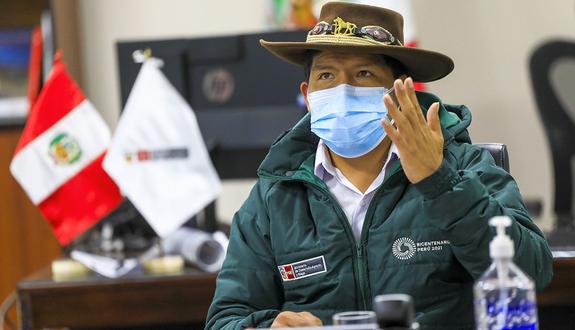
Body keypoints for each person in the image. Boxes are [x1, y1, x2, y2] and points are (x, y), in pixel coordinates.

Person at [205, 2, 553, 329]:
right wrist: (268, 326)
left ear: (400, 91)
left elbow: (532, 271)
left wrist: (440, 183)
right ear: (307, 95)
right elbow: (227, 317)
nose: (342, 89)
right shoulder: (275, 195)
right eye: (326, 76)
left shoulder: (462, 164)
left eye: (363, 73)